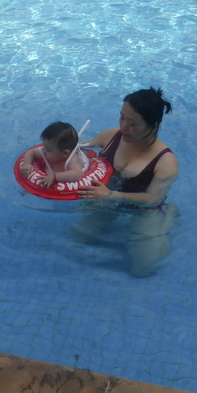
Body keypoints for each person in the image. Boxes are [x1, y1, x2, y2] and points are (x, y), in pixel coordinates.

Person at [71, 87, 179, 277]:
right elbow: (73, 151)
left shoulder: (165, 161)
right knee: (78, 237)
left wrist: (111, 194)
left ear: (153, 126)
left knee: (144, 267)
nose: (123, 127)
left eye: (132, 123)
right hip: (105, 197)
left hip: (142, 209)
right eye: (122, 118)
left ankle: (168, 216)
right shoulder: (111, 136)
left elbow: (152, 199)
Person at [19, 121, 86, 188]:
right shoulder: (46, 152)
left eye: (48, 150)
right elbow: (31, 152)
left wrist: (54, 176)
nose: (43, 150)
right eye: (44, 146)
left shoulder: (72, 160)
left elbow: (77, 174)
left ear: (65, 153)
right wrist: (27, 163)